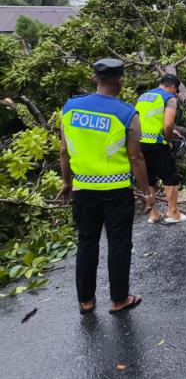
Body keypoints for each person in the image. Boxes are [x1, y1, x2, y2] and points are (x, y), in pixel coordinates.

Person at [58, 58, 155, 314]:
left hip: (82, 189)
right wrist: (148, 192)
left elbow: (64, 151)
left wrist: (67, 182)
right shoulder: (127, 114)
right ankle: (119, 299)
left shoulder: (70, 109)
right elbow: (136, 158)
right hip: (117, 191)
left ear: (94, 79)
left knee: (87, 242)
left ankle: (86, 301)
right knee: (119, 244)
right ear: (120, 81)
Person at [135, 73, 186, 224]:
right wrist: (167, 139)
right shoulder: (168, 98)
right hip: (156, 142)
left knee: (149, 178)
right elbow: (169, 124)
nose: (174, 93)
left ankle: (154, 214)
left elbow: (148, 119)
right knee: (170, 176)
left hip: (139, 141)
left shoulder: (143, 97)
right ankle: (173, 213)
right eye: (175, 90)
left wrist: (173, 130)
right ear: (172, 86)